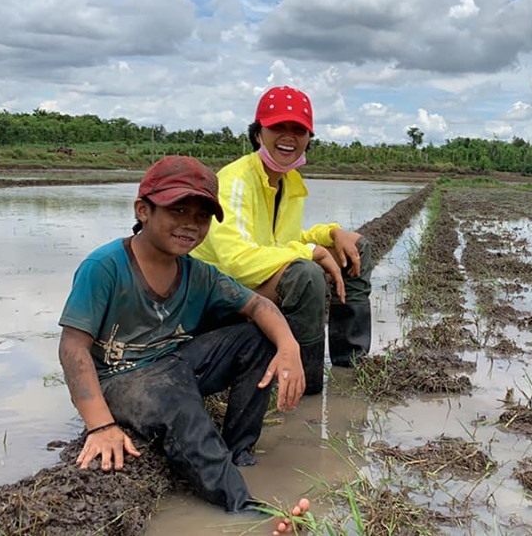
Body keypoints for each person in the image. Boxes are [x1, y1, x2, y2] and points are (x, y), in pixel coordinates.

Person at [58, 155, 310, 525]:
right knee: (178, 405)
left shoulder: (199, 273)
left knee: (257, 338)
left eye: (202, 216)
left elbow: (258, 306)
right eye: (178, 211)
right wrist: (101, 426)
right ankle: (244, 512)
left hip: (175, 363)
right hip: (120, 378)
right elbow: (72, 347)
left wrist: (290, 349)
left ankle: (239, 451)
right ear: (143, 210)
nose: (190, 225)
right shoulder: (106, 267)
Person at [192, 85, 372, 396]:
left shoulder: (288, 181)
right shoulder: (236, 181)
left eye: (298, 129)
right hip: (217, 294)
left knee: (356, 247)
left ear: (308, 139)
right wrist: (310, 252)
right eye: (278, 127)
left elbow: (281, 241)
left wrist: (329, 234)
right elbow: (236, 261)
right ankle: (304, 387)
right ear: (258, 133)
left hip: (253, 281)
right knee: (306, 274)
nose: (289, 137)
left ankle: (350, 364)